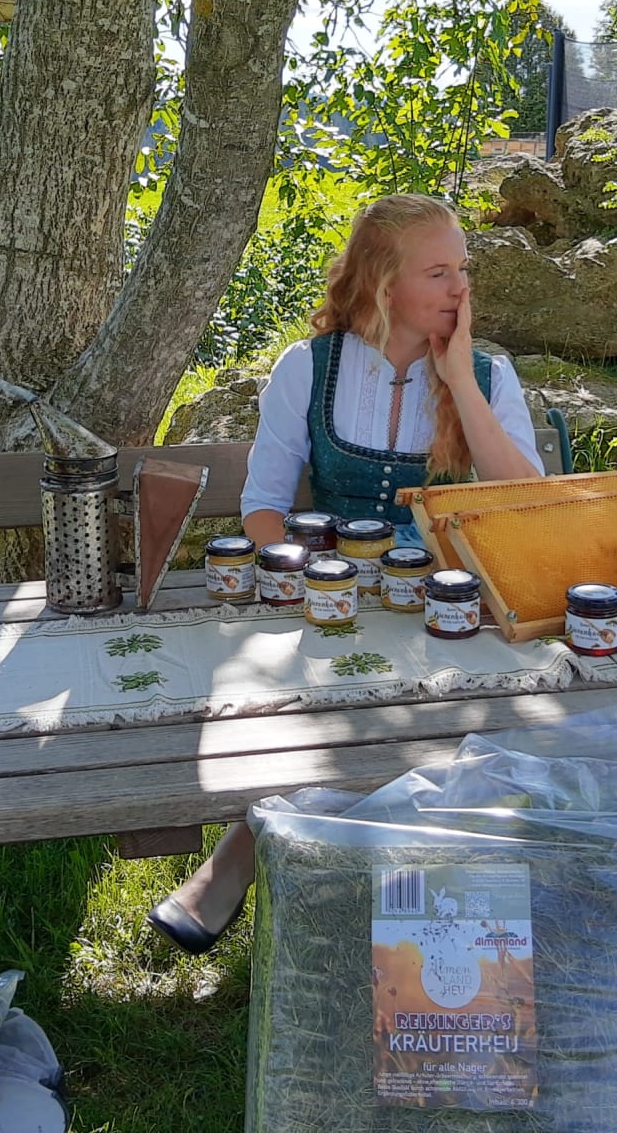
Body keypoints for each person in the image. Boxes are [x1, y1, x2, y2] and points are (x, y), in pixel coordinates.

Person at [147, 193, 544, 954]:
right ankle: (314, 875)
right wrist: (318, 588)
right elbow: (264, 509)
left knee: (438, 705)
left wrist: (460, 382)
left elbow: (522, 506)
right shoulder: (309, 368)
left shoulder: (489, 375)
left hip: (451, 604)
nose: (461, 288)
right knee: (327, 698)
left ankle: (247, 860)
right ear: (383, 282)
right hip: (329, 595)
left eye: (463, 269)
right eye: (439, 272)